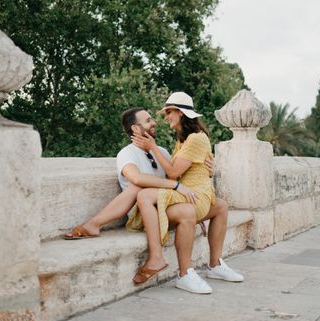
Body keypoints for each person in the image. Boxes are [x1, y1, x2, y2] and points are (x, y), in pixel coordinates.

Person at [65, 94, 243, 293]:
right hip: (144, 211)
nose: (157, 121)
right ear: (135, 129)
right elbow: (140, 180)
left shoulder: (164, 151)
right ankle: (181, 272)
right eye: (148, 120)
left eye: (166, 113)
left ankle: (215, 265)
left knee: (220, 206)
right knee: (170, 204)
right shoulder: (127, 153)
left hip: (163, 205)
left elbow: (180, 176)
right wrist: (176, 187)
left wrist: (206, 173)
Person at [127, 92, 242, 294]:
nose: (166, 117)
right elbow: (176, 177)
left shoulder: (196, 139)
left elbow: (172, 173)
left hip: (196, 196)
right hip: (197, 195)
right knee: (221, 206)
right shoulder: (183, 141)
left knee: (145, 196)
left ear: (180, 113)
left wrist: (152, 147)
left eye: (169, 112)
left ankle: (182, 272)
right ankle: (214, 265)